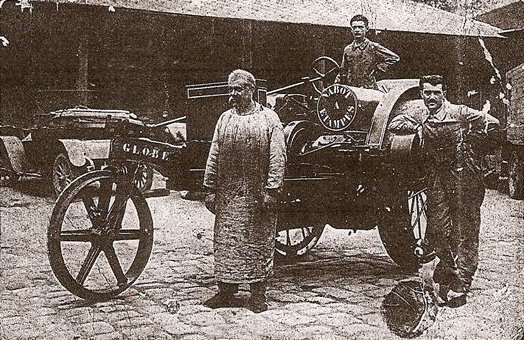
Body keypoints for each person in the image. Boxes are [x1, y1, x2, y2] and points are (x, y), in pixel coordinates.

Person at [388, 75, 499, 307]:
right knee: (437, 229)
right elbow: (394, 124)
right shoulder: (421, 114)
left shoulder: (459, 112)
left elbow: (492, 122)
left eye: (436, 93)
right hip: (438, 178)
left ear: (443, 93)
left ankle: (462, 284)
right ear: (421, 94)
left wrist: (472, 142)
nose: (431, 97)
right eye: (427, 93)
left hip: (464, 177)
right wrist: (415, 126)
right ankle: (447, 275)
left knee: (465, 230)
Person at [202, 69, 287, 313]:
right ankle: (226, 292)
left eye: (238, 89)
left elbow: (277, 157)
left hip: (257, 194)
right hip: (228, 196)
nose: (233, 94)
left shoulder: (269, 119)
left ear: (251, 90)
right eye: (231, 89)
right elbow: (214, 154)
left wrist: (272, 189)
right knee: (226, 242)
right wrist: (209, 188)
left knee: (257, 242)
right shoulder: (224, 119)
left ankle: (258, 295)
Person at [335, 14, 400, 89]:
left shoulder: (372, 47)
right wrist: (336, 84)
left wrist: (377, 69)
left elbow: (394, 58)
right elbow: (343, 70)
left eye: (360, 27)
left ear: (367, 29)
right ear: (351, 30)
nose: (357, 30)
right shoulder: (348, 49)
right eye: (354, 27)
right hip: (351, 88)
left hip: (369, 88)